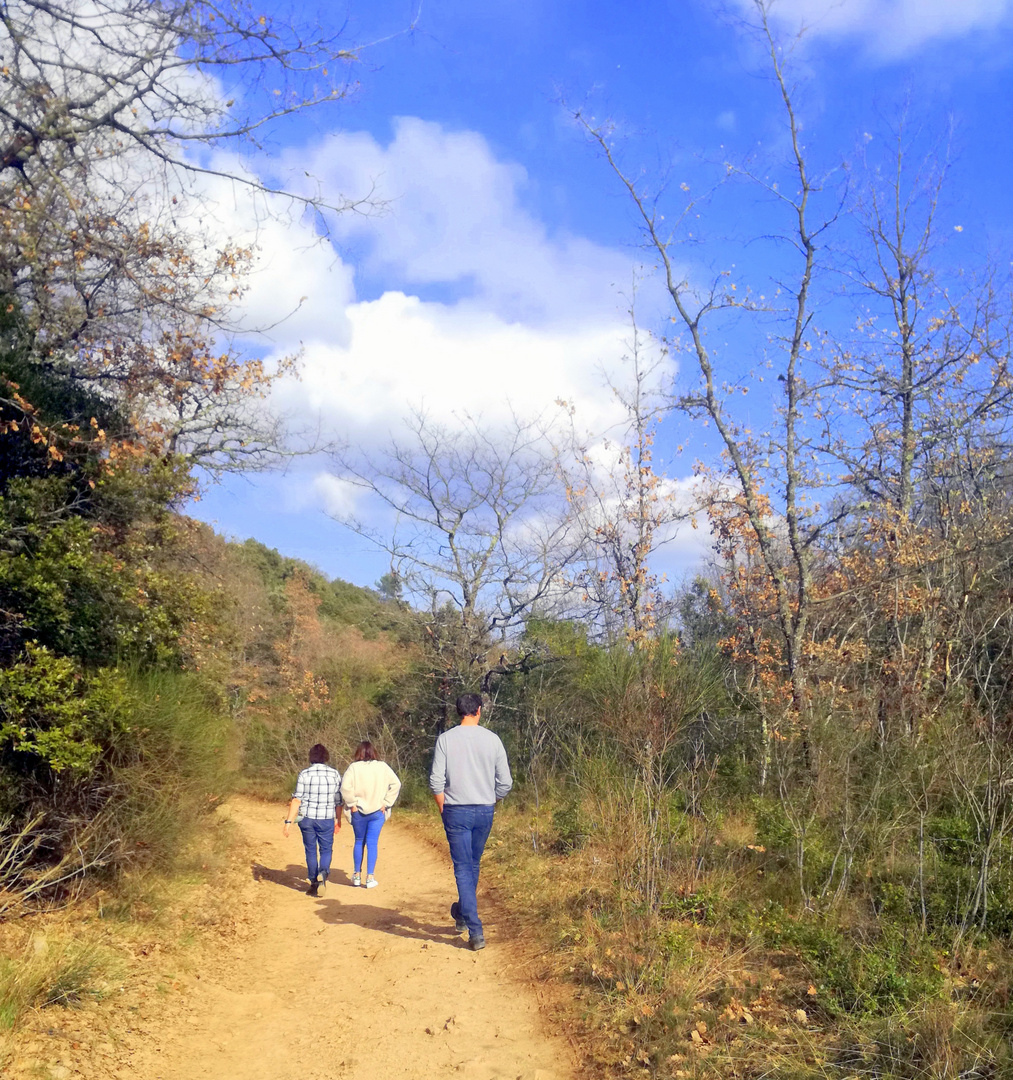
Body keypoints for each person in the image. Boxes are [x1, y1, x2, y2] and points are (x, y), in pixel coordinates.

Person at [429, 692, 512, 951]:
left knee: (465, 867)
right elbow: (505, 782)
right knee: (471, 865)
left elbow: (435, 781)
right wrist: (492, 799)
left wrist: (444, 808)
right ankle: (465, 916)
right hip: (484, 809)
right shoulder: (493, 740)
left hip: (456, 810)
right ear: (478, 710)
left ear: (459, 711)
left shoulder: (445, 740)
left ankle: (473, 926)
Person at [340, 740, 402, 888]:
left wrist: (352, 804)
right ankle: (370, 878)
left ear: (358, 752)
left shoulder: (353, 768)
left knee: (359, 841)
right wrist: (386, 803)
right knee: (372, 842)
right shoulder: (382, 767)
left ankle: (356, 875)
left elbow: (344, 787)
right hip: (377, 811)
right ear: (373, 752)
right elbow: (396, 784)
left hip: (358, 812)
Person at [283, 743, 342, 897]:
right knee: (326, 849)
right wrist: (338, 819)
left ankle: (313, 882)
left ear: (311, 757)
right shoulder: (334, 774)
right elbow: (338, 800)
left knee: (310, 850)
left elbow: (297, 800)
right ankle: (323, 873)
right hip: (326, 818)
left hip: (306, 819)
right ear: (326, 757)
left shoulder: (304, 774)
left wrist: (288, 822)